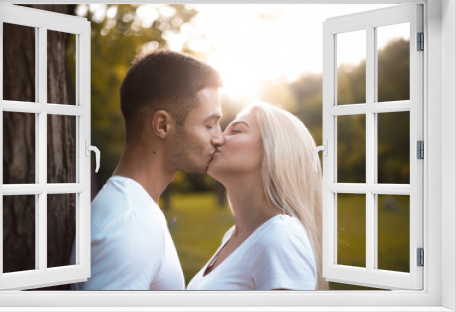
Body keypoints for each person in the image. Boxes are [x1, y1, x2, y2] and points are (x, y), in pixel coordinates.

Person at [71, 50, 224, 290]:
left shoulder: (135, 210)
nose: (219, 138)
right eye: (209, 125)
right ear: (162, 125)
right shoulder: (128, 225)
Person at [187, 102, 328, 290]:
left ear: (275, 151)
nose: (218, 139)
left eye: (236, 131)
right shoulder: (234, 236)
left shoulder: (280, 236)